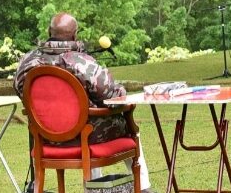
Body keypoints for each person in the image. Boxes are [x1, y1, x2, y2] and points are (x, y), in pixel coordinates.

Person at [13, 13, 154, 193]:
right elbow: (111, 94)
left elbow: (21, 91)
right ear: (75, 35)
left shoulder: (27, 61)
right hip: (86, 137)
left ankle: (94, 187)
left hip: (46, 139)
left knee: (88, 122)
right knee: (127, 126)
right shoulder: (81, 62)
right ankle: (143, 189)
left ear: (49, 31)